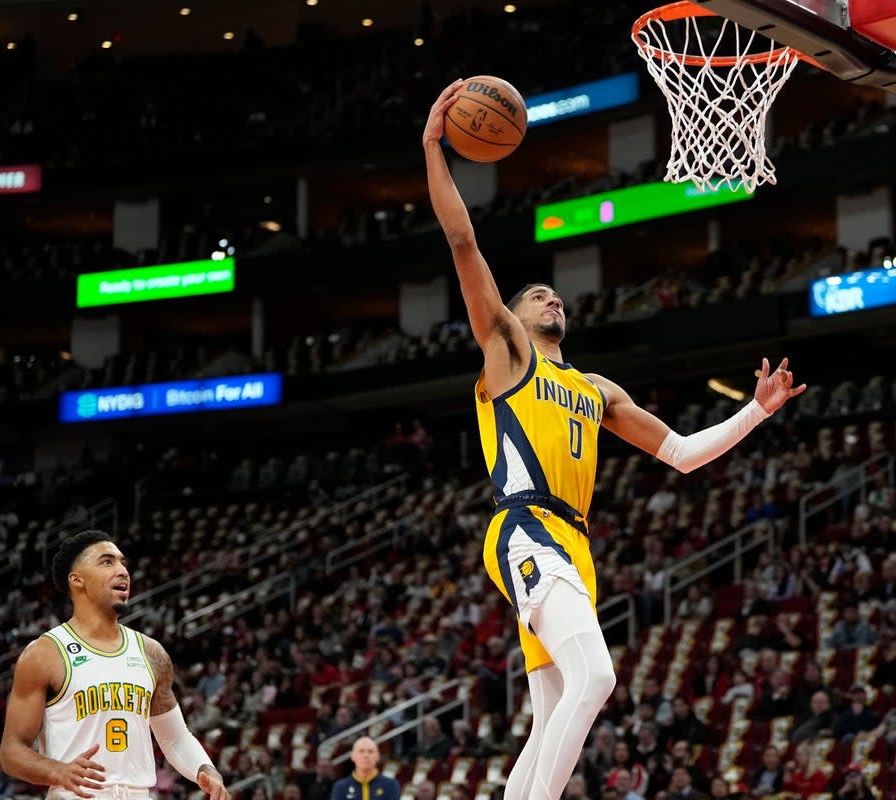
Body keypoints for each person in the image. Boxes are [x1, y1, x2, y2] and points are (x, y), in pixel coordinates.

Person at [423, 80, 807, 800]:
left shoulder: (599, 390)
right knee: (597, 676)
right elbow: (464, 239)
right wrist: (432, 149)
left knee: (546, 723)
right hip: (525, 529)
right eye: (536, 294)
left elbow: (686, 454)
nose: (551, 298)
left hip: (574, 545)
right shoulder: (507, 353)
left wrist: (755, 412)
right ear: (508, 314)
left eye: (556, 295)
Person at [0, 530, 229, 800]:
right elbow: (11, 751)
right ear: (77, 580)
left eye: (123, 563)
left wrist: (207, 770)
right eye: (107, 562)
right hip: (76, 795)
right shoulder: (44, 654)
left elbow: (175, 738)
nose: (122, 571)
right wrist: (57, 771)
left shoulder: (151, 653)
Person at [330, 738, 400, 800]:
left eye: (370, 751)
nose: (366, 755)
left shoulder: (390, 785)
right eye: (361, 751)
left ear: (378, 756)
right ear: (352, 756)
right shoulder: (341, 787)